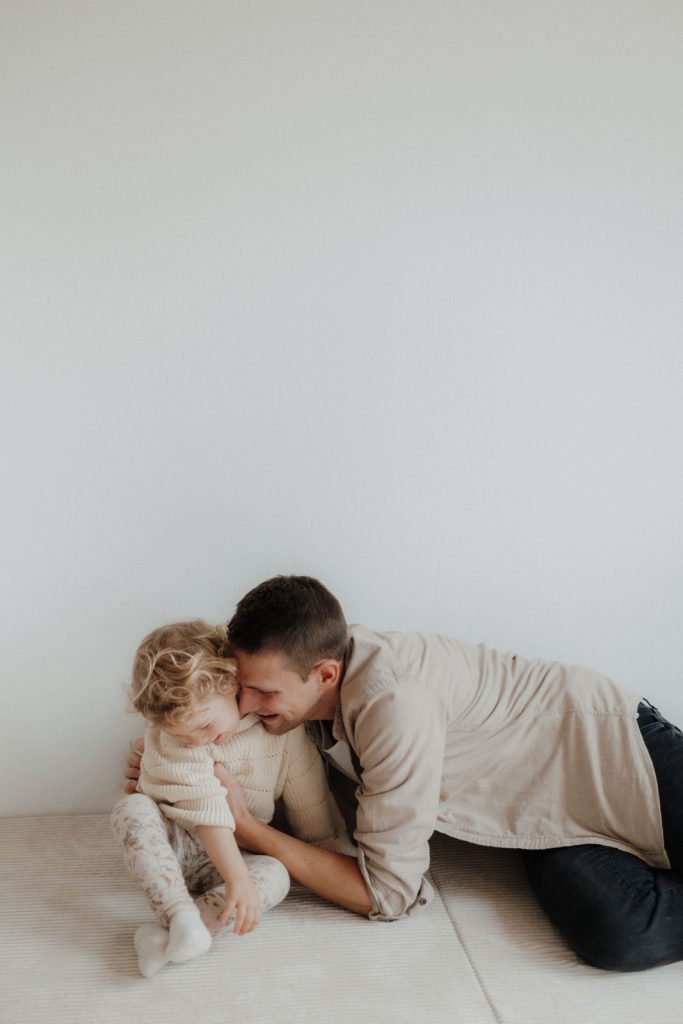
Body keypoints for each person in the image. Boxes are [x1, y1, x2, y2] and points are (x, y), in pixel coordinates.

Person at [125, 577, 683, 972]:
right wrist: (172, 763)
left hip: (618, 750)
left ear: (325, 674)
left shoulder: (391, 704)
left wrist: (250, 829)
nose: (245, 706)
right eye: (240, 688)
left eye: (263, 693)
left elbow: (388, 893)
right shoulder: (298, 691)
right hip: (541, 810)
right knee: (616, 936)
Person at [113, 618, 347, 977]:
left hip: (238, 853)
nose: (199, 740)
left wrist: (327, 851)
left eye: (205, 726)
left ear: (231, 682)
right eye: (184, 735)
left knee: (277, 874)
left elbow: (307, 792)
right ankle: (177, 913)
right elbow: (207, 811)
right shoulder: (175, 741)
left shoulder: (279, 730)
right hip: (177, 844)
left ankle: (183, 934)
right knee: (132, 808)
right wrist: (237, 876)